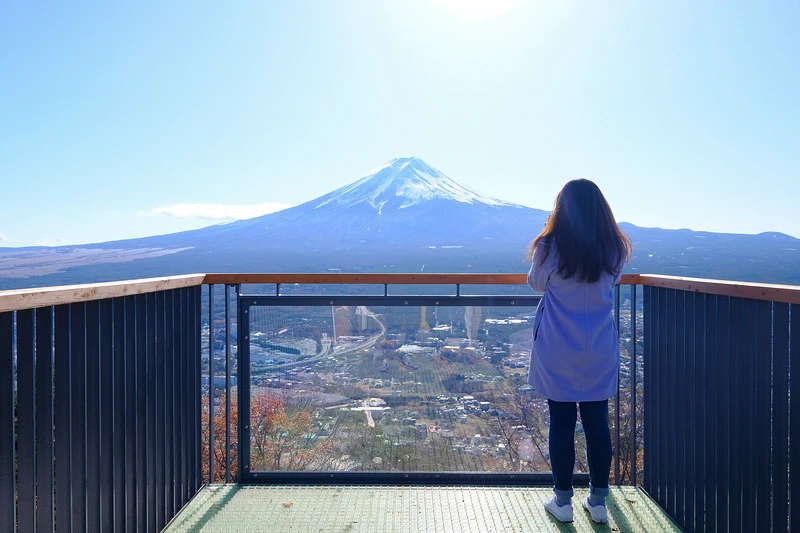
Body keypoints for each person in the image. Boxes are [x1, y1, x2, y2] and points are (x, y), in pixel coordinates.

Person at [526, 178, 632, 524]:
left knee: (561, 423)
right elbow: (611, 281)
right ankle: (598, 502)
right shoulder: (613, 247)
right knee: (597, 424)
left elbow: (536, 283)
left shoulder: (550, 246)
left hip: (559, 348)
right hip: (598, 348)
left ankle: (563, 501)